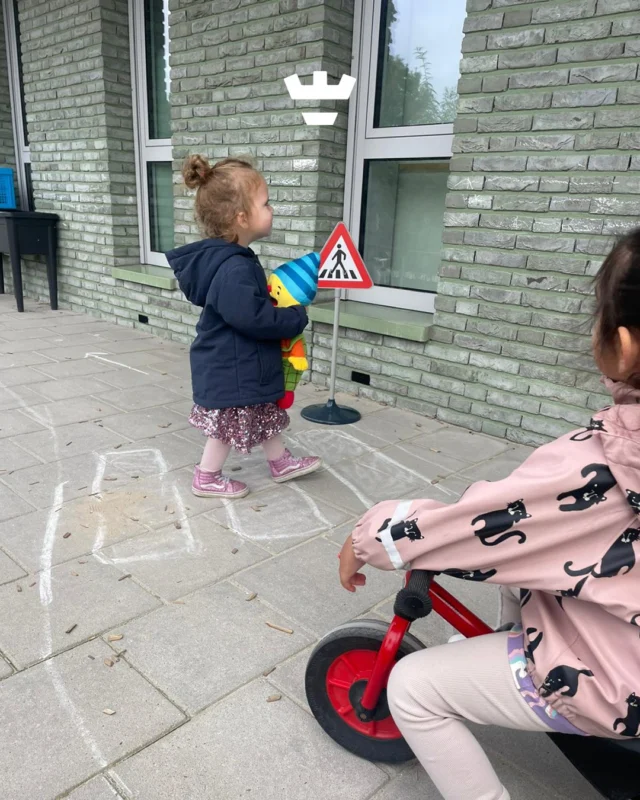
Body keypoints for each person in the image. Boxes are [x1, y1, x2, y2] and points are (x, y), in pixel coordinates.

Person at [338, 228, 640, 800]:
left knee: (413, 687)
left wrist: (369, 535)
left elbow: (485, 526)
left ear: (620, 345)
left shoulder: (602, 466)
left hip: (616, 683)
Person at [166, 155, 322, 499]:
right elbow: (252, 317)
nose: (271, 209)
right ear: (241, 218)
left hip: (240, 362)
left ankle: (279, 461)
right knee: (226, 424)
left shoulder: (234, 259)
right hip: (230, 366)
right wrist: (294, 317)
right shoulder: (233, 268)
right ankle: (206, 476)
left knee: (263, 408)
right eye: (265, 203)